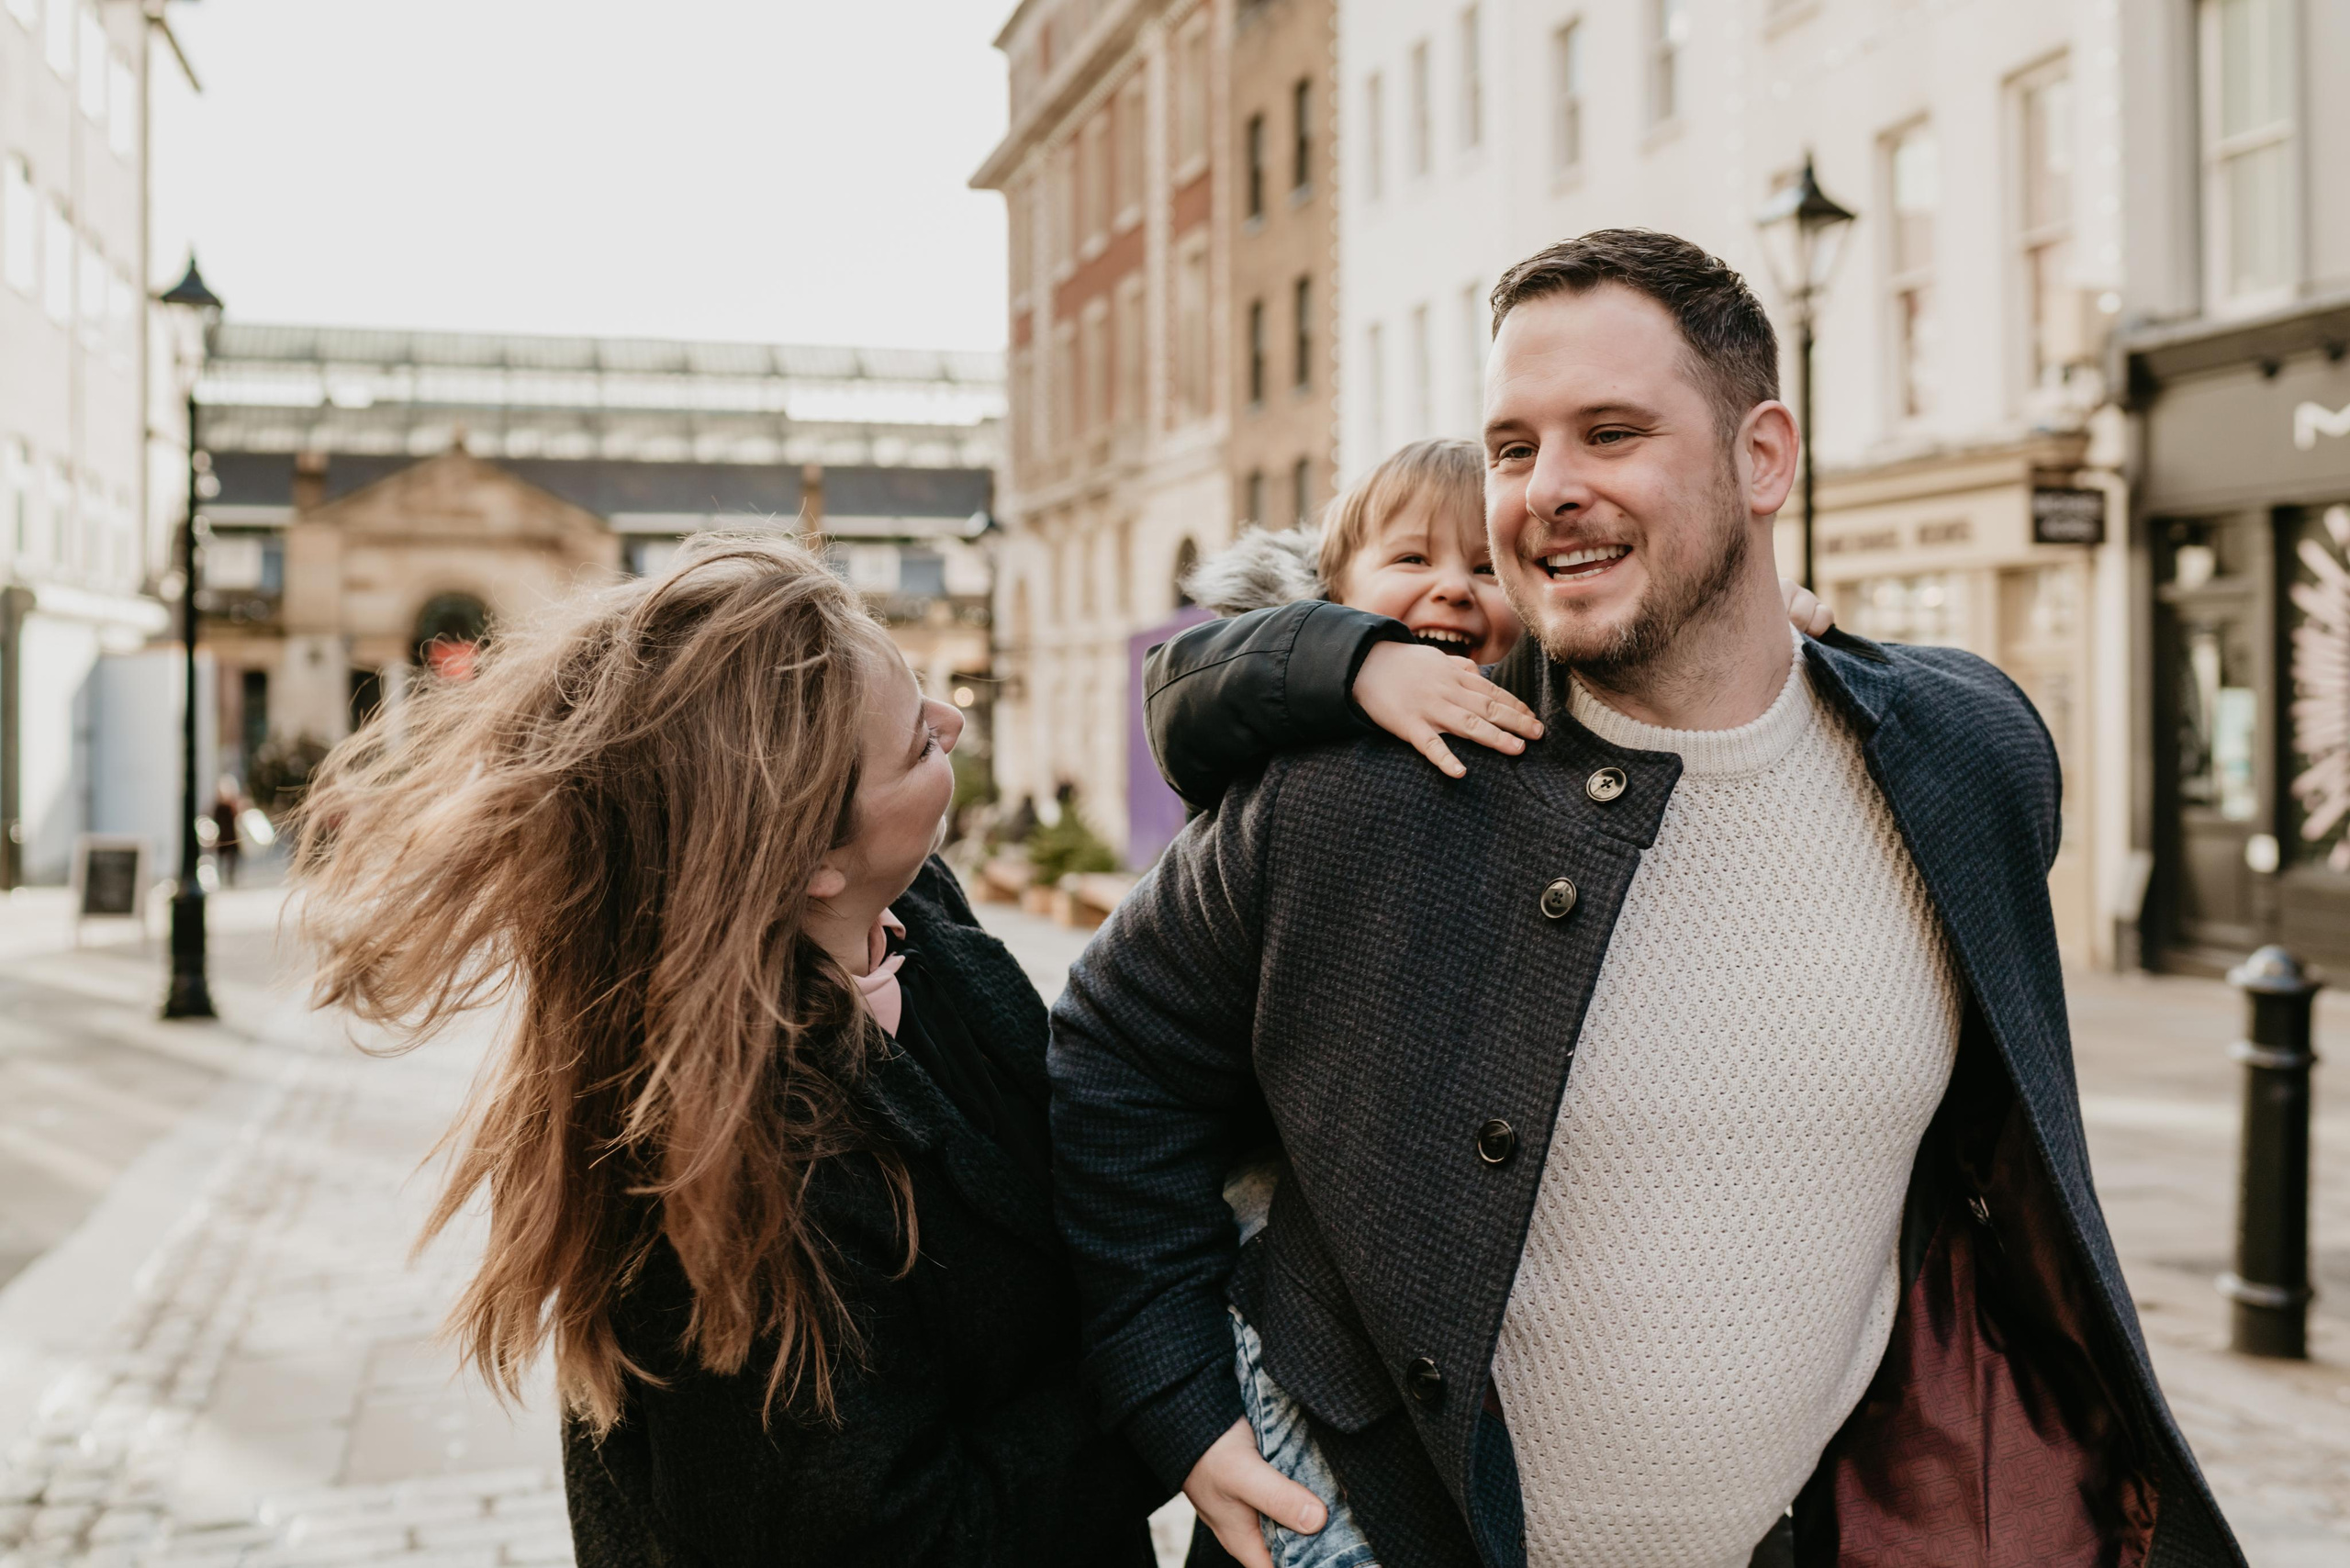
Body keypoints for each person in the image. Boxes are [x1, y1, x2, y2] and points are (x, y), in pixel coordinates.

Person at [1048, 230, 2243, 1568]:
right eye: (1513, 447)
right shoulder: (1359, 794)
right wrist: (1178, 1400)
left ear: (1763, 458)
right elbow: (1111, 1058)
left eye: (1611, 433)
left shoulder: (1972, 756)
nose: (1546, 490)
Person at [290, 536, 1164, 1566]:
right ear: (809, 859)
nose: (953, 722)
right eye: (918, 747)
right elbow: (901, 1536)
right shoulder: (737, 1167)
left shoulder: (913, 917)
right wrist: (1171, 1386)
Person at [211, 778, 245, 888]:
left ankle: (231, 878)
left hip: (231, 835)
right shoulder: (219, 807)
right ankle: (222, 878)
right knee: (223, 858)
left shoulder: (232, 806)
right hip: (223, 836)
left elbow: (238, 817)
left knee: (233, 858)